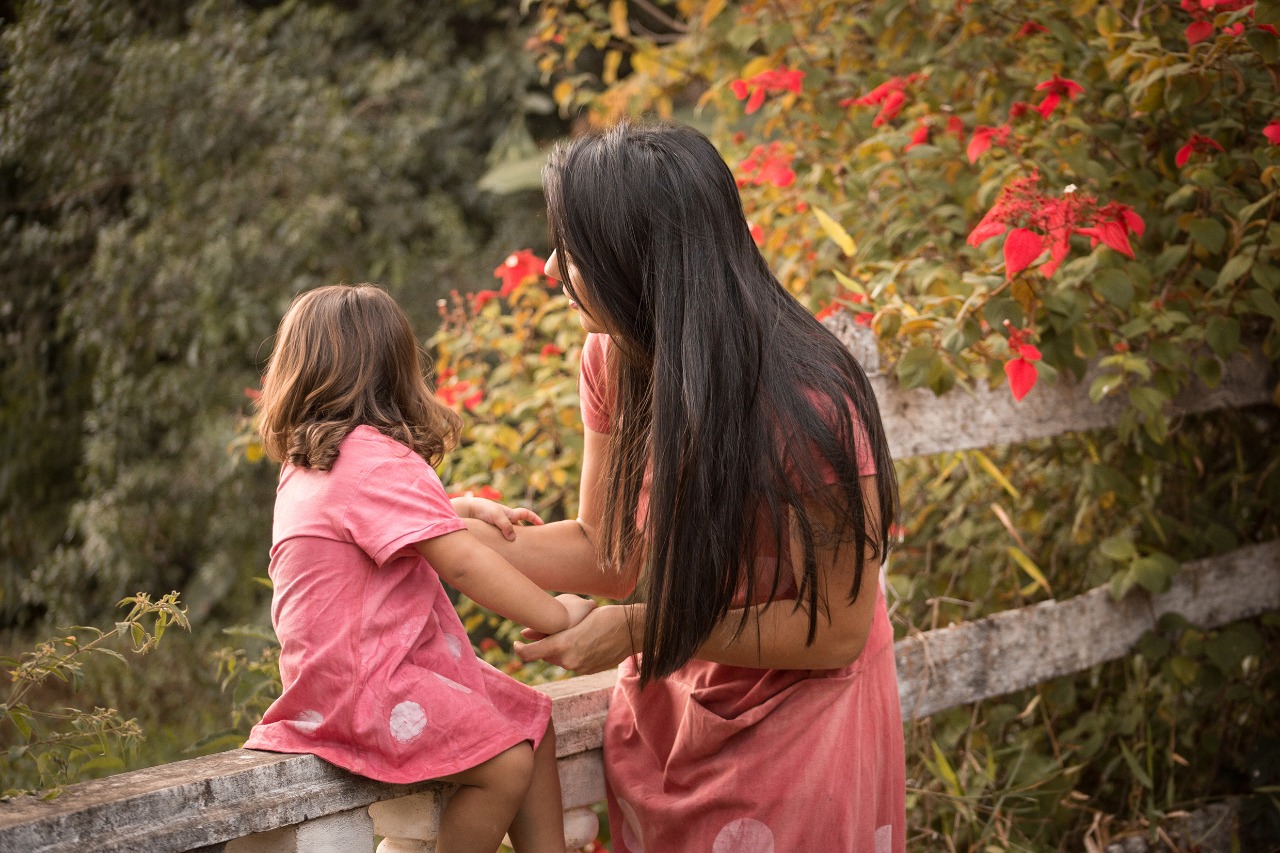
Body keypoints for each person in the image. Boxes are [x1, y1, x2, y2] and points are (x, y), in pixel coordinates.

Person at [465, 122, 907, 851]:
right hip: (676, 712)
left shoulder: (810, 400)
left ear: (638, 262)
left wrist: (644, 629)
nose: (550, 269)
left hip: (807, 728)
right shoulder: (611, 359)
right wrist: (446, 534)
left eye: (572, 251)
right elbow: (612, 551)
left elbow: (837, 630)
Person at [243, 284, 595, 853]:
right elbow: (464, 565)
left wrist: (452, 508)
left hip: (331, 681)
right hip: (368, 686)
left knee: (534, 715)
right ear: (395, 372)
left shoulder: (310, 463)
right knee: (505, 765)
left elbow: (367, 529)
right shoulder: (378, 460)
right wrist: (557, 615)